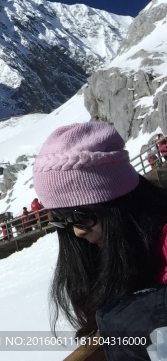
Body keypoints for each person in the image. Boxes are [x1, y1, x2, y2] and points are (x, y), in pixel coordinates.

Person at [33, 122, 167, 358]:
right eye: (62, 222)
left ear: (116, 205)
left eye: (82, 217)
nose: (77, 233)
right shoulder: (129, 254)